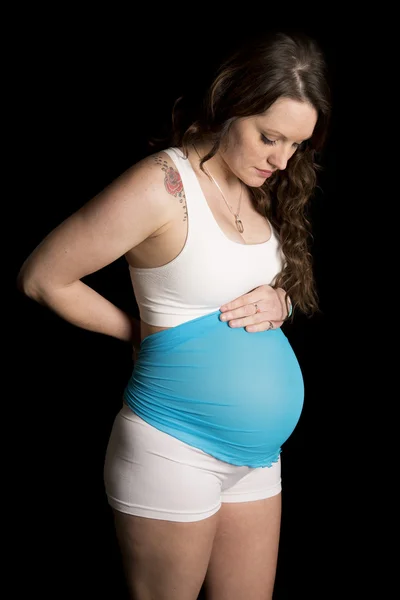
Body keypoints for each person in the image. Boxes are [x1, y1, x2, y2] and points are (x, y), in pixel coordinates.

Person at [17, 29, 331, 600]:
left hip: (259, 460)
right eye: (270, 138)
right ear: (232, 102)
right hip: (174, 447)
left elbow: (236, 285)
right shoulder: (163, 186)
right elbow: (44, 277)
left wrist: (280, 302)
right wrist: (138, 332)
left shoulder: (259, 186)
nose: (282, 160)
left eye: (296, 146)